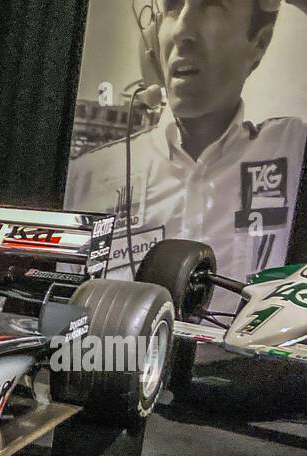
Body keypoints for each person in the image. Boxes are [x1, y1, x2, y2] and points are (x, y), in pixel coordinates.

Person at [66, 0, 307, 293]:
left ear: (259, 43)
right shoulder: (88, 177)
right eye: (172, 6)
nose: (182, 31)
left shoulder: (291, 150)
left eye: (213, 5)